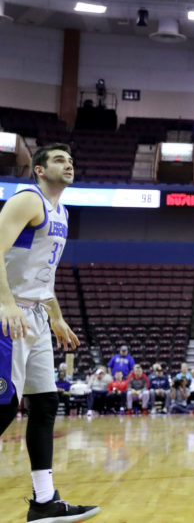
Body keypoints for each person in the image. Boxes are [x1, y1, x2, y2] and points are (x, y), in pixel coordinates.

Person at [0, 143, 99, 520]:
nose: (68, 164)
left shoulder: (64, 212)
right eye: (59, 160)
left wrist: (55, 314)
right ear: (39, 170)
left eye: (71, 160)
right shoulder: (28, 200)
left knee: (45, 403)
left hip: (37, 314)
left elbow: (45, 271)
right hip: (9, 312)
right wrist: (7, 303)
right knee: (4, 406)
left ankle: (44, 501)